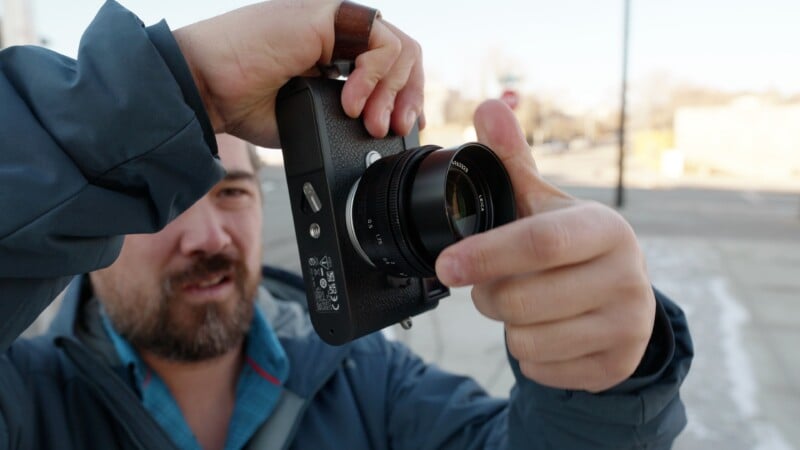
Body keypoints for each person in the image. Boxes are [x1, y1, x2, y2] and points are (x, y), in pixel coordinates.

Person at [0, 1, 692, 449]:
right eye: (167, 205)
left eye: (232, 193)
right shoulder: (27, 398)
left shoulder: (369, 382)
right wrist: (186, 88)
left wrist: (601, 384)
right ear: (101, 205)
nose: (208, 237)